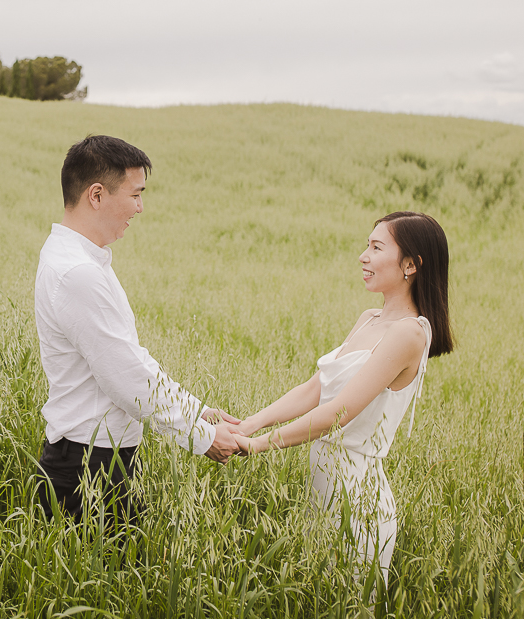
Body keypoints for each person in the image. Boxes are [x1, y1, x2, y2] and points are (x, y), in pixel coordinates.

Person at [232, 211, 455, 584]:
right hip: (322, 489)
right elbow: (314, 389)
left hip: (358, 503)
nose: (362, 256)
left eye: (376, 246)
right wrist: (248, 423)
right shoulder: (370, 318)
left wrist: (255, 446)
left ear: (410, 265)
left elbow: (338, 413)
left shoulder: (409, 334)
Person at [34, 135, 240, 530]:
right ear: (97, 195)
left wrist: (198, 411)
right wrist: (200, 435)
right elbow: (126, 377)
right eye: (135, 194)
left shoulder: (80, 259)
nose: (140, 208)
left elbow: (131, 359)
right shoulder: (79, 273)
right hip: (87, 467)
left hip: (94, 457)